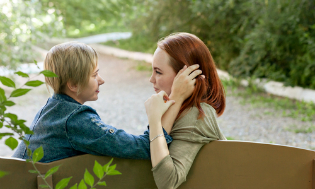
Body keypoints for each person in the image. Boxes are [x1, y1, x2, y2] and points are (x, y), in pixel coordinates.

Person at [12, 42, 202, 163]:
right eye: (95, 75)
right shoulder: (75, 120)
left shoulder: (53, 109)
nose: (101, 80)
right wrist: (176, 96)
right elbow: (144, 148)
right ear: (72, 84)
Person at [144, 32, 226, 189]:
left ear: (186, 76)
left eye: (158, 72)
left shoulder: (195, 116)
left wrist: (154, 119)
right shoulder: (180, 109)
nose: (151, 79)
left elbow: (168, 181)